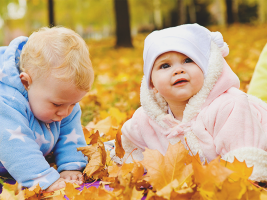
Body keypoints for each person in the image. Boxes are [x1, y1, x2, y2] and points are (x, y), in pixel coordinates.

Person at [112, 24, 267, 182]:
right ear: (151, 84)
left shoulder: (229, 106)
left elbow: (245, 159)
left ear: (207, 70)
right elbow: (129, 152)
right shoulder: (144, 121)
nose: (178, 70)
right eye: (165, 65)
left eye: (188, 60)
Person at [0, 26, 94, 191]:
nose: (65, 112)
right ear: (26, 82)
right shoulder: (1, 100)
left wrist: (71, 165)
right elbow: (14, 146)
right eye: (57, 104)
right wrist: (43, 178)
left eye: (73, 103)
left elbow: (71, 132)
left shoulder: (62, 100)